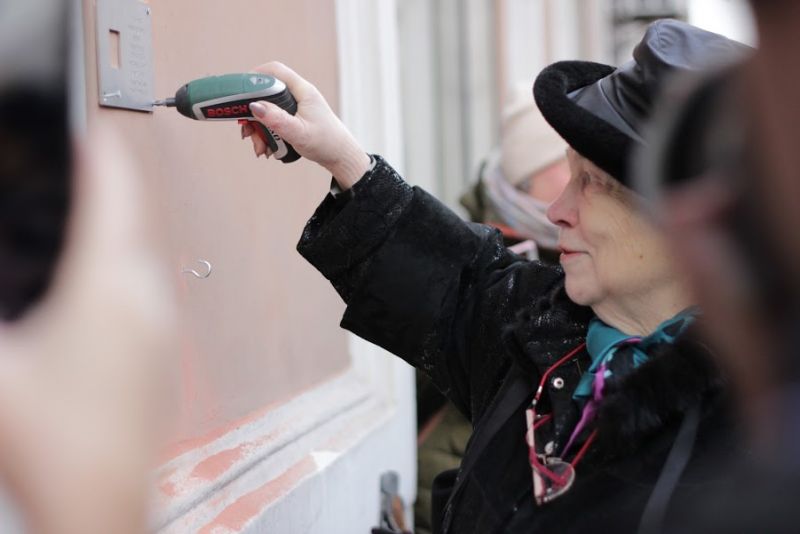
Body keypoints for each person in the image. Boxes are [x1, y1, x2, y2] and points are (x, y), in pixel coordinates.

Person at [244, 20, 748, 533]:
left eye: (592, 183)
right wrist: (341, 155)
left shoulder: (749, 445)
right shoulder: (551, 331)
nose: (557, 210)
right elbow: (452, 279)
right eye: (569, 174)